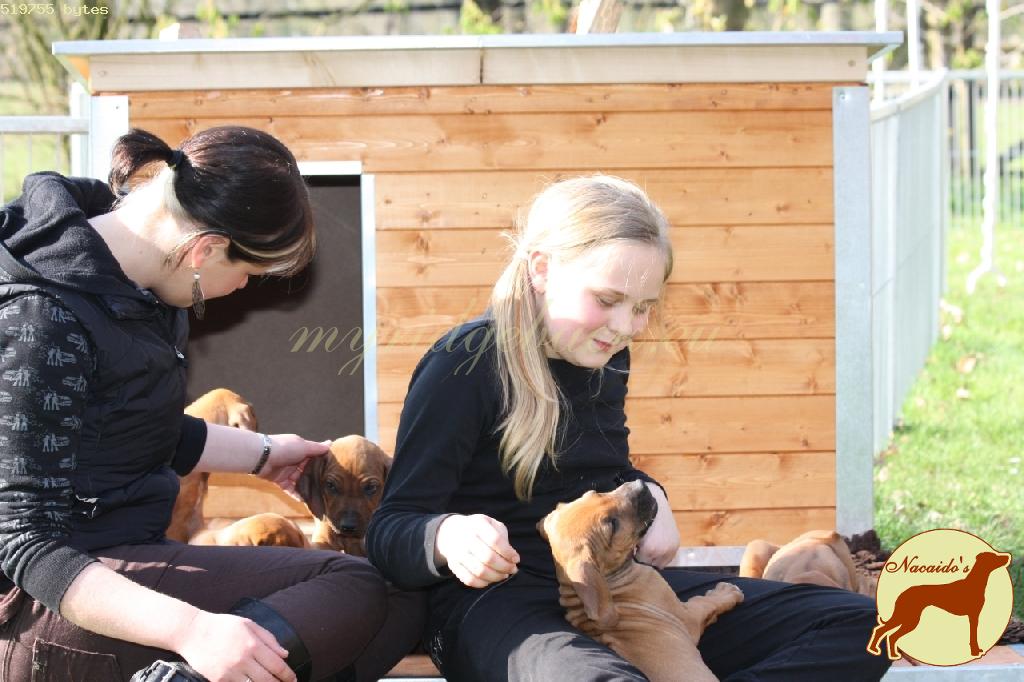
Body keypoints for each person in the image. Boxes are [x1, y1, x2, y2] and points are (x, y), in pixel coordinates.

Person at [366, 175, 893, 681]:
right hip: (499, 605)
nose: (625, 327)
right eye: (607, 300)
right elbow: (390, 530)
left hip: (621, 588)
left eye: (643, 308)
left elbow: (602, 472)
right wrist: (447, 535)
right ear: (542, 269)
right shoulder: (464, 364)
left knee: (862, 627)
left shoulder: (605, 355)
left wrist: (651, 494)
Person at [0, 127, 421, 682]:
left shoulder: (146, 284)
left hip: (129, 555)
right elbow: (23, 544)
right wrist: (192, 632)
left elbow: (134, 430)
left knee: (399, 597)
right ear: (205, 249)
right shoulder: (42, 316)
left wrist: (266, 454)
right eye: (247, 273)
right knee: (350, 585)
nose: (242, 288)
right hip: (47, 602)